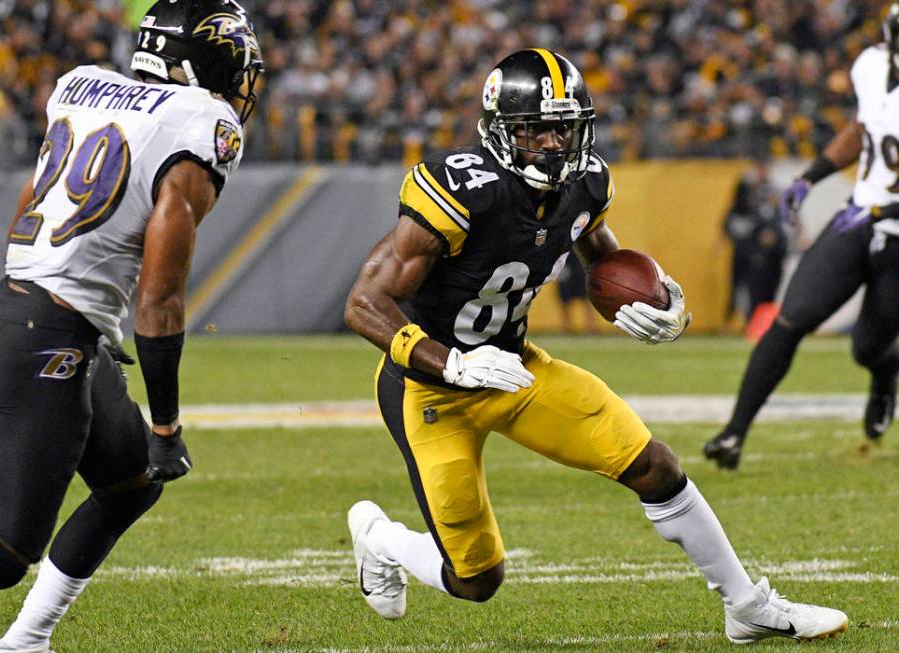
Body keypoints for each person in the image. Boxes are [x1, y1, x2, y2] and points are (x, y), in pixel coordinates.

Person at [343, 49, 848, 644]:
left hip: (519, 370)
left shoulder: (584, 184)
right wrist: (451, 361)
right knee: (476, 580)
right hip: (431, 393)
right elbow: (363, 303)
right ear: (502, 130)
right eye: (537, 129)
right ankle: (381, 539)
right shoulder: (457, 190)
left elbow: (603, 256)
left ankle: (747, 606)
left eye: (566, 127)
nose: (555, 143)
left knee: (653, 464)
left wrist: (660, 298)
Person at [0, 2, 263, 652]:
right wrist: (166, 425)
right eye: (232, 65)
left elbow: (31, 203)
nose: (241, 83)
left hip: (36, 314)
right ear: (201, 62)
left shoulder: (84, 84)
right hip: (47, 332)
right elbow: (159, 301)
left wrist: (72, 313)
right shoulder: (202, 123)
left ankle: (26, 641)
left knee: (129, 483)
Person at [704, 4, 899, 470]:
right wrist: (811, 176)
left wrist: (885, 208)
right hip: (859, 215)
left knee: (867, 346)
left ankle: (885, 370)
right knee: (792, 317)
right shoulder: (872, 66)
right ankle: (734, 433)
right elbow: (862, 127)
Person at [721, 157, 787, 329]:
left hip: (773, 252)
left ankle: (763, 325)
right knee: (752, 290)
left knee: (770, 289)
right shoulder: (745, 190)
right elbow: (733, 220)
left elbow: (784, 218)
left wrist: (778, 237)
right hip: (752, 251)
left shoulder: (775, 191)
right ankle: (751, 324)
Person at [556, 253, 597, 334]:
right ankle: (567, 326)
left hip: (580, 266)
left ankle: (591, 326)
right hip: (565, 266)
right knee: (565, 299)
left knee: (586, 298)